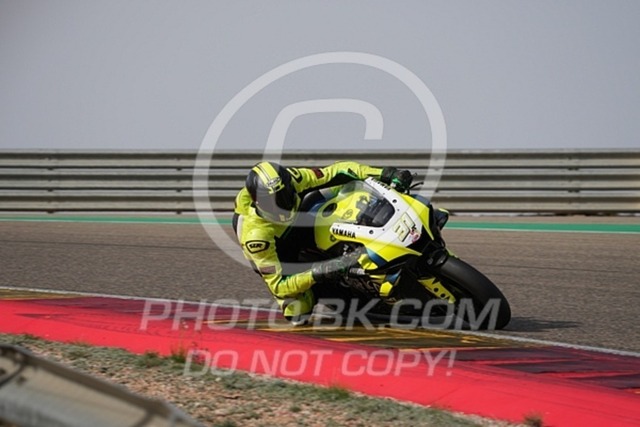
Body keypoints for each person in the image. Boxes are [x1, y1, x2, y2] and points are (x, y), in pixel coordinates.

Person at [232, 160, 415, 324]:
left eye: (284, 195)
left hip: (299, 217)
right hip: (276, 243)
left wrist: (384, 173)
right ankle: (329, 290)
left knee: (341, 189)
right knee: (297, 311)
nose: (282, 204)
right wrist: (319, 272)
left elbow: (338, 170)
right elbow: (279, 286)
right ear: (257, 203)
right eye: (272, 203)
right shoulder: (256, 238)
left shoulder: (294, 178)